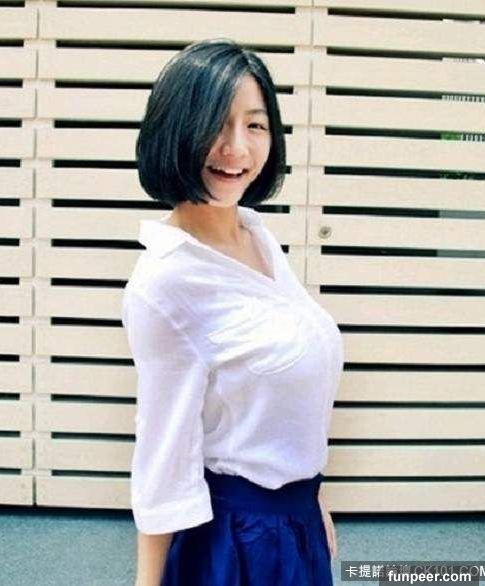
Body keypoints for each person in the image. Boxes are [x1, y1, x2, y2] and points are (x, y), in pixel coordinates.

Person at [122, 38, 344, 586]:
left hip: (296, 516)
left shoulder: (255, 234)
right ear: (177, 130)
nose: (236, 148)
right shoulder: (166, 282)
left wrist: (312, 498)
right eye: (216, 125)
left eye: (255, 125)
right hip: (238, 541)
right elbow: (163, 457)